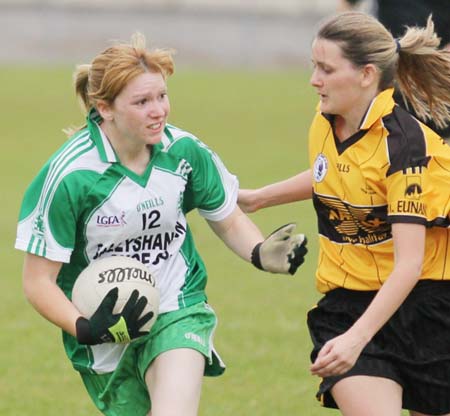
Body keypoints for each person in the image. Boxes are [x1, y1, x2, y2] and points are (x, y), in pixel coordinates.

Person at [15, 33, 308, 416]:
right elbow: (37, 281)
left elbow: (228, 217)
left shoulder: (184, 153)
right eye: (142, 102)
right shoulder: (71, 176)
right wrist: (86, 327)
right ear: (105, 108)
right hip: (103, 334)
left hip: (177, 305)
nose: (159, 111)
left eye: (162, 96)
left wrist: (257, 252)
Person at [239, 11, 450, 416]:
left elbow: (409, 263)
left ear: (366, 74)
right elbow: (333, 171)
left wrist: (357, 339)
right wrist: (260, 198)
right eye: (313, 66)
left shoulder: (404, 146)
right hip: (348, 302)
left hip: (426, 307)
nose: (313, 80)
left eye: (325, 69)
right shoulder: (324, 121)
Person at [338, 0, 450, 139]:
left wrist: (440, 66)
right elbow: (347, 5)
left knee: (439, 146)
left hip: (437, 77)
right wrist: (346, 44)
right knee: (386, 142)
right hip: (389, 72)